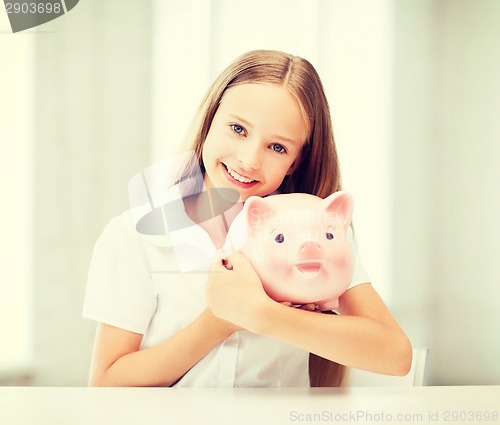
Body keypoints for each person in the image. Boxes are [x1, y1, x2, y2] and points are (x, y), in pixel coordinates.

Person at [83, 50, 412, 387]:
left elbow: (395, 354)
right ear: (210, 121)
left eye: (278, 147)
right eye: (238, 129)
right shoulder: (134, 236)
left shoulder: (317, 233)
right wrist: (219, 322)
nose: (249, 160)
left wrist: (264, 314)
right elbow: (108, 381)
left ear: (296, 162)